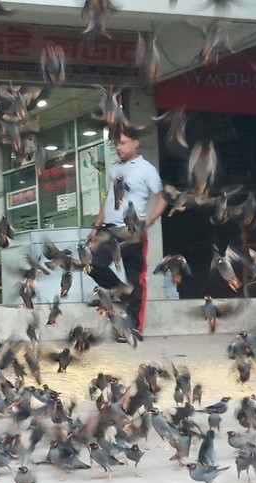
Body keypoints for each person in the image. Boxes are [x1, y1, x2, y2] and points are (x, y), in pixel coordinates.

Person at [86, 127, 168, 335]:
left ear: (135, 143)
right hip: (109, 230)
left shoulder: (146, 169)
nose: (118, 147)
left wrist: (148, 221)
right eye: (116, 144)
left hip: (133, 231)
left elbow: (162, 199)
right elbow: (109, 199)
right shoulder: (114, 170)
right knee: (92, 263)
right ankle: (123, 291)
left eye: (122, 143)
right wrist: (96, 227)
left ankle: (134, 327)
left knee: (136, 278)